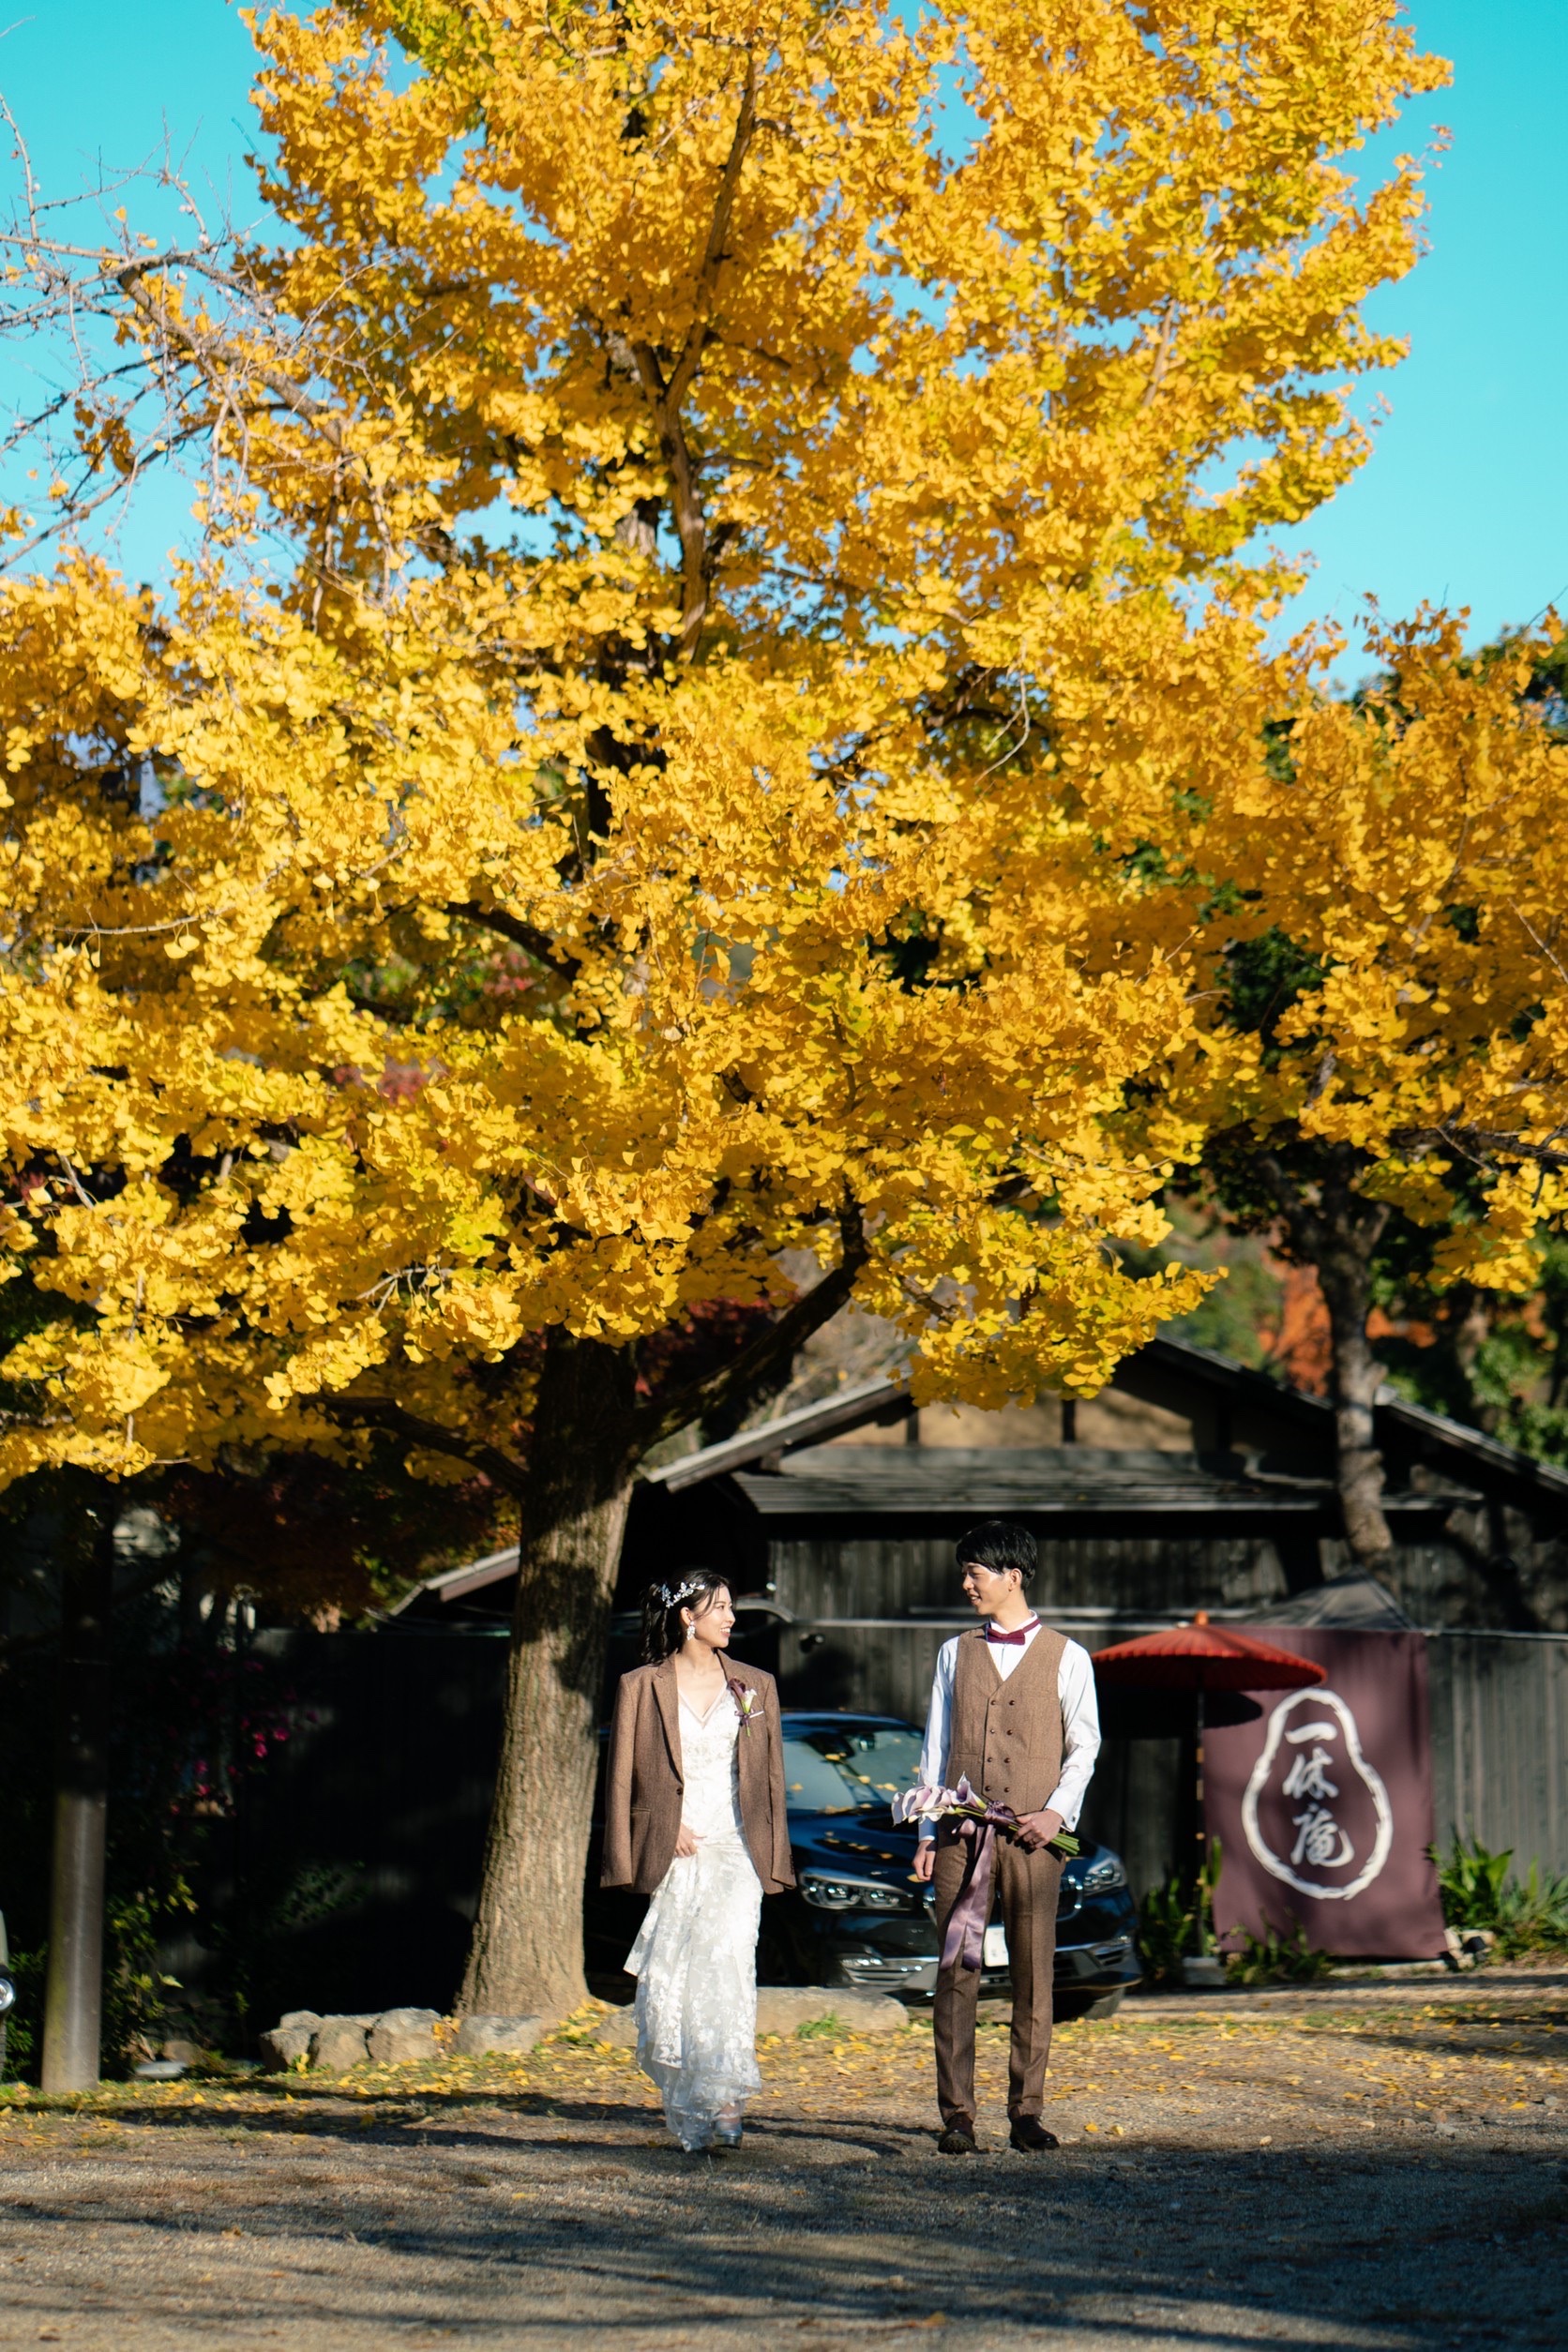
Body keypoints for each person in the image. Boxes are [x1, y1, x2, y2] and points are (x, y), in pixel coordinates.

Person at [912, 1519, 1101, 2155]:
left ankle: (1026, 2111)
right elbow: (935, 1747)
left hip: (1033, 1839)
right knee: (956, 1972)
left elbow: (1085, 1745)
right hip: (960, 1832)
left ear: (1012, 1576)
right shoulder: (952, 1653)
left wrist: (1057, 1813)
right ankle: (957, 2117)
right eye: (965, 1572)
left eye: (976, 1572)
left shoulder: (1067, 1656)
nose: (965, 1583)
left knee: (1032, 1974)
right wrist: (925, 1830)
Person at [600, 1570, 793, 2151]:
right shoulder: (641, 1685)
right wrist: (663, 1826)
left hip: (738, 1845)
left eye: (733, 1607)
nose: (733, 1618)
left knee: (728, 1963)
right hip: (675, 1846)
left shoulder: (755, 1684)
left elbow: (770, 1778)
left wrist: (774, 1854)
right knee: (674, 1977)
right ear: (689, 1616)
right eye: (722, 1608)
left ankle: (729, 2101)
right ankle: (688, 2102)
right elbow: (624, 1774)